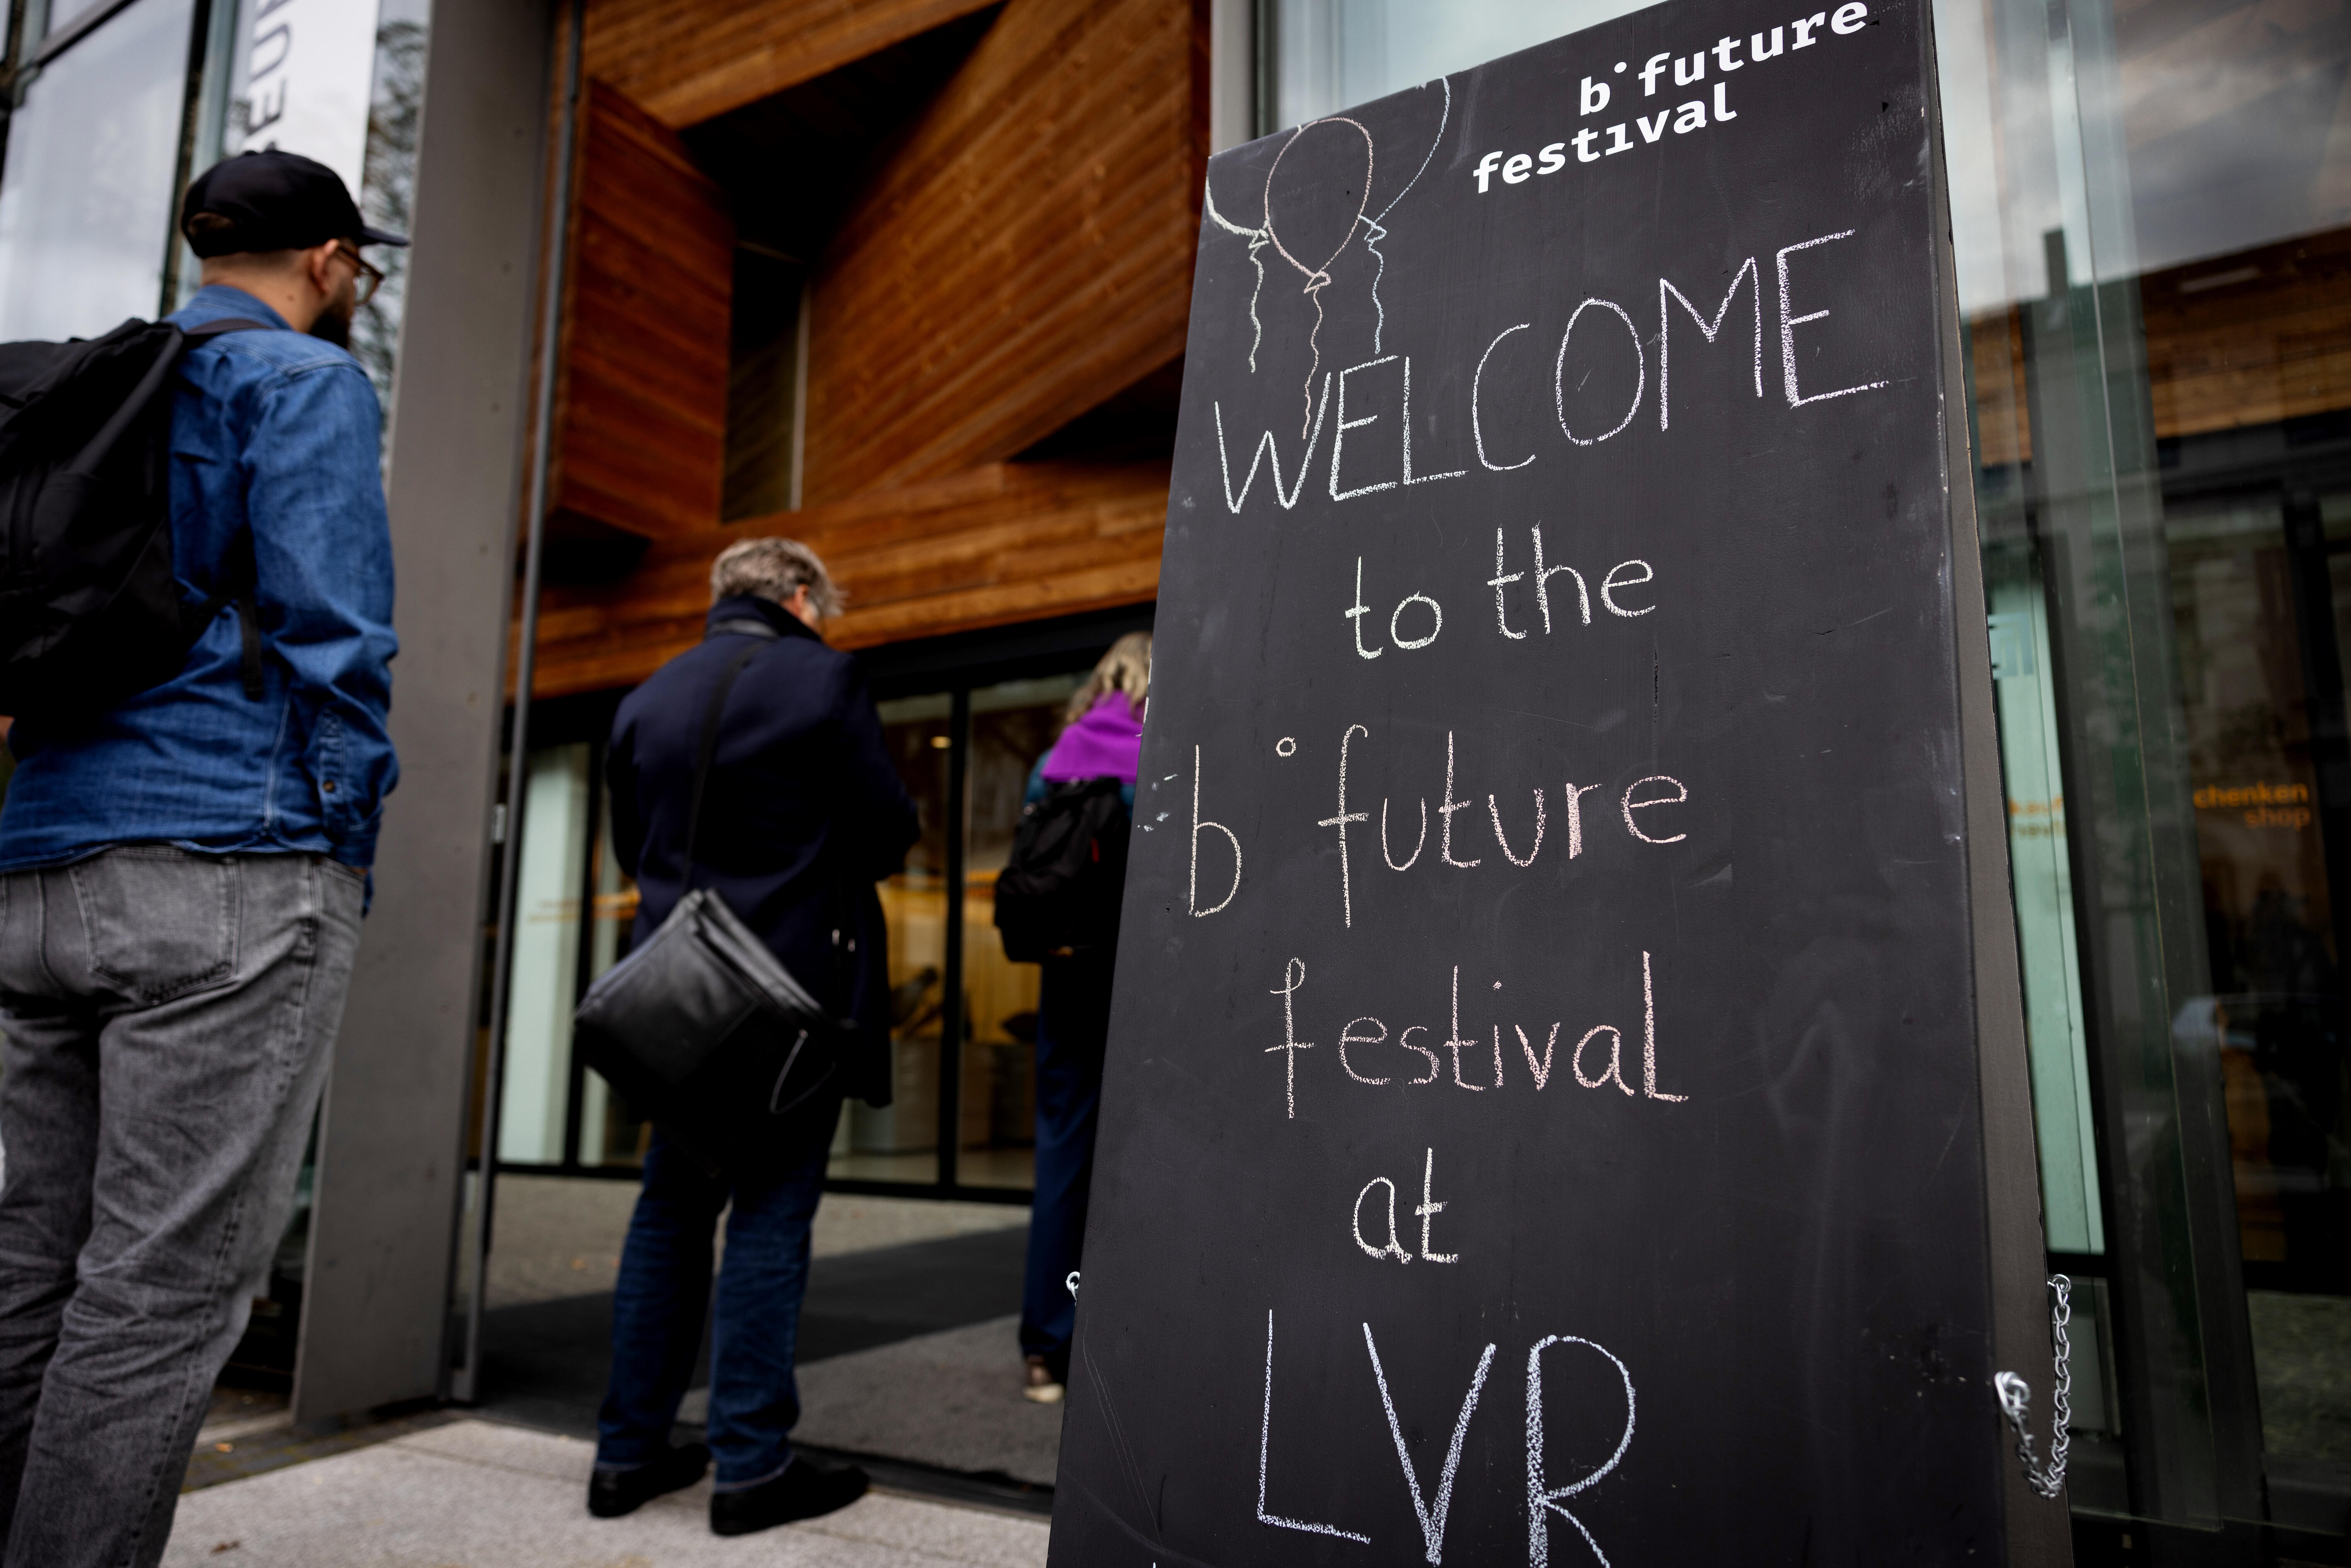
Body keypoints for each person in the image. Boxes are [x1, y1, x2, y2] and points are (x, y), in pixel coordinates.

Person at [0, 150, 402, 1568]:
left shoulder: (94, 390)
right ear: (333, 262)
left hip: (39, 864)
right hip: (225, 868)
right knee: (158, 1298)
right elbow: (336, 634)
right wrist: (341, 841)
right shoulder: (304, 382)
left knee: (27, 1275)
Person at [591, 537, 917, 1536]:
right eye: (829, 604)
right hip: (787, 1004)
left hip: (674, 1006)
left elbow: (631, 848)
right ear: (802, 597)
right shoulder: (824, 681)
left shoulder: (645, 698)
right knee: (771, 1214)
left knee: (670, 1212)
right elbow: (886, 832)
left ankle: (626, 1456)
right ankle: (750, 1465)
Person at [1017, 631, 1148, 1404]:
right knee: (1144, 1158)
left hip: (1065, 972)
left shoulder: (1053, 760)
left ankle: (1045, 1347)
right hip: (1137, 979)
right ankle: (1132, 1334)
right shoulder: (1158, 752)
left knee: (1063, 1154)